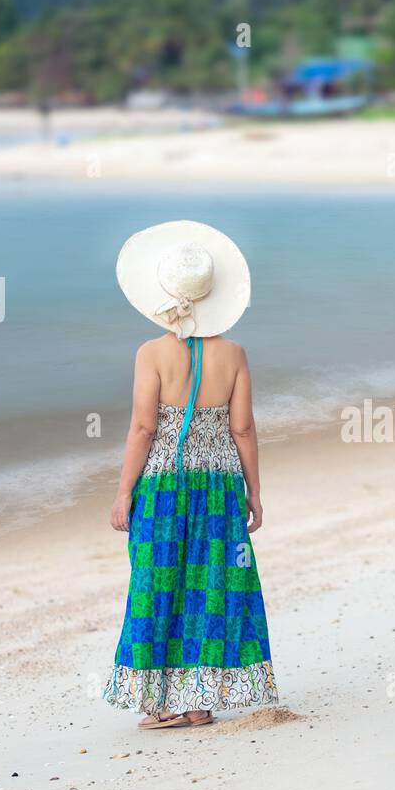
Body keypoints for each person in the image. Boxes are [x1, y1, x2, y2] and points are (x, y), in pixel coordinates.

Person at [102, 221, 278, 730]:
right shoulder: (235, 354)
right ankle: (199, 701)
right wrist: (254, 492)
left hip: (163, 483)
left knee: (155, 583)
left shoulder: (151, 354)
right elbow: (242, 427)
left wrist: (122, 493)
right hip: (220, 485)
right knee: (212, 585)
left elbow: (142, 427)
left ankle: (160, 703)